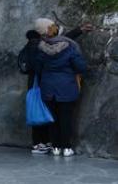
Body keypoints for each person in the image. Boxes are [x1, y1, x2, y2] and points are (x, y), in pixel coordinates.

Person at [21, 19, 91, 154]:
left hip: (48, 89)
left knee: (53, 119)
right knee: (66, 118)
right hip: (67, 88)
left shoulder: (41, 49)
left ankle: (56, 147)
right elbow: (81, 66)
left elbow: (38, 68)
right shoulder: (69, 48)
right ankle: (67, 148)